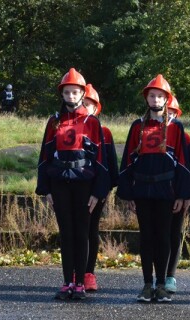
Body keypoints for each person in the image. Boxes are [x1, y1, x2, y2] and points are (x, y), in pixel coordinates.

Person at [117, 74, 190, 303]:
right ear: (146, 99)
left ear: (167, 99)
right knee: (146, 237)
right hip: (142, 190)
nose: (156, 100)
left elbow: (184, 163)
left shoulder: (176, 128)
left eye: (160, 96)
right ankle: (147, 284)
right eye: (152, 96)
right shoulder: (137, 126)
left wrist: (183, 193)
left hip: (166, 191)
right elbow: (128, 160)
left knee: (163, 237)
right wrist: (127, 193)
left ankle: (162, 283)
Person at [35, 68, 110, 300]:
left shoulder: (92, 123)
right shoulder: (54, 122)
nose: (70, 96)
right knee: (66, 233)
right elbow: (45, 156)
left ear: (81, 93)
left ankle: (80, 283)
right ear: (62, 94)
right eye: (67, 92)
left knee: (82, 233)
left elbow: (101, 160)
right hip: (60, 184)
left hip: (84, 185)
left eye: (75, 92)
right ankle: (67, 281)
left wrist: (98, 192)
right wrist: (45, 189)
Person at [81, 83, 119, 291]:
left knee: (91, 230)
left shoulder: (105, 132)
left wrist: (106, 189)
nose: (86, 107)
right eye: (83, 103)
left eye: (90, 104)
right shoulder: (70, 128)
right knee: (76, 231)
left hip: (97, 189)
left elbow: (111, 165)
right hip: (75, 187)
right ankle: (75, 271)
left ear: (96, 108)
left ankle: (89, 273)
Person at [164, 96, 190, 293]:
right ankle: (157, 275)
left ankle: (171, 275)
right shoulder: (149, 133)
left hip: (177, 195)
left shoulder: (185, 138)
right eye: (166, 112)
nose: (168, 116)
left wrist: (189, 194)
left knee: (174, 234)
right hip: (155, 194)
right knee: (155, 236)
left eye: (172, 113)